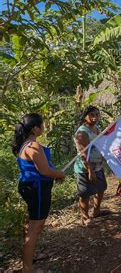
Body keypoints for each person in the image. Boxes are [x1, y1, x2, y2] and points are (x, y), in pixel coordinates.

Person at [13, 113, 65, 273]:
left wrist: (53, 175)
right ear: (35, 128)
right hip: (37, 189)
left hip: (32, 186)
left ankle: (31, 255)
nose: (43, 127)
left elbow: (41, 170)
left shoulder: (26, 144)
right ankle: (27, 268)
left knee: (33, 224)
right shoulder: (33, 146)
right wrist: (59, 174)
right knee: (36, 227)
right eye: (42, 125)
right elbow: (45, 170)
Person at [74, 106, 109, 226]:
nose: (95, 117)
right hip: (84, 167)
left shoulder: (97, 128)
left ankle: (96, 211)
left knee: (101, 187)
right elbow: (83, 152)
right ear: (85, 116)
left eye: (97, 115)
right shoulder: (82, 132)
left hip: (97, 165)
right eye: (92, 115)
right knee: (85, 193)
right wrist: (90, 169)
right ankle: (85, 217)